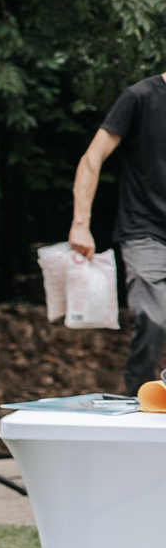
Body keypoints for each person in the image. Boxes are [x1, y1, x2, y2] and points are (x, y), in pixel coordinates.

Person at [70, 70, 166, 392]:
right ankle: (140, 394)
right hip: (145, 231)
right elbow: (92, 159)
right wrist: (81, 224)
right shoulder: (139, 97)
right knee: (154, 316)